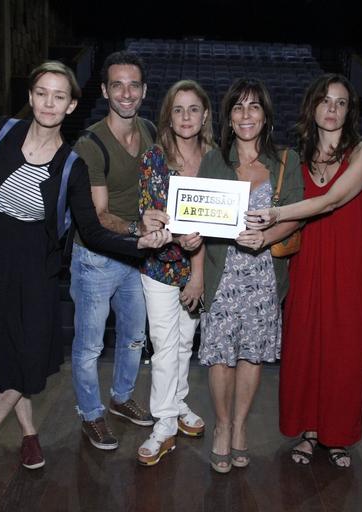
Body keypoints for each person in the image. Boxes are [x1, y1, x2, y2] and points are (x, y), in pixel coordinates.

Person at [0, 61, 170, 471]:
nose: (48, 103)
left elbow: (91, 230)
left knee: (28, 356)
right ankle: (31, 434)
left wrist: (137, 243)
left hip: (37, 267)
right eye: (41, 93)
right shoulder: (0, 131)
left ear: (72, 105)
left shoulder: (72, 165)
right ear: (31, 96)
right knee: (8, 353)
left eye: (59, 96)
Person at [245, 73, 362, 468]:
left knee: (345, 354)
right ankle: (310, 432)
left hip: (350, 268)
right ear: (312, 106)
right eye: (325, 101)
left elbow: (332, 201)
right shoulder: (296, 159)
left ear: (349, 110)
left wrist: (275, 213)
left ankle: (338, 436)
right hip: (308, 265)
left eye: (341, 102)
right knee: (305, 350)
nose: (333, 109)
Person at [197, 78, 303, 473]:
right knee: (220, 358)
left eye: (254, 106)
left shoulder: (286, 162)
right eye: (238, 107)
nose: (246, 115)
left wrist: (265, 238)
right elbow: (199, 224)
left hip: (262, 276)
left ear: (266, 115)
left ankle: (240, 426)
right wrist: (196, 277)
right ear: (228, 117)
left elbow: (296, 217)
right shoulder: (213, 161)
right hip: (221, 274)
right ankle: (222, 426)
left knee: (251, 356)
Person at [70, 50, 167, 450]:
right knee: (90, 345)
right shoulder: (91, 143)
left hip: (137, 255)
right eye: (117, 85)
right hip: (97, 258)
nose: (125, 93)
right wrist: (137, 229)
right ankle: (91, 414)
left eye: (133, 85)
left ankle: (122, 398)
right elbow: (98, 215)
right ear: (106, 91)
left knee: (132, 337)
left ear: (143, 91)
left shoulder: (147, 128)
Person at [135, 80, 215, 466]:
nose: (186, 117)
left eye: (193, 109)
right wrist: (164, 229)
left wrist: (197, 268)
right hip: (160, 266)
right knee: (165, 346)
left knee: (185, 345)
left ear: (205, 115)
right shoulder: (154, 157)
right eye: (178, 109)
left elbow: (219, 222)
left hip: (199, 270)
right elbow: (151, 215)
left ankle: (178, 403)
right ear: (168, 115)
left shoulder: (216, 158)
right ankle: (163, 422)